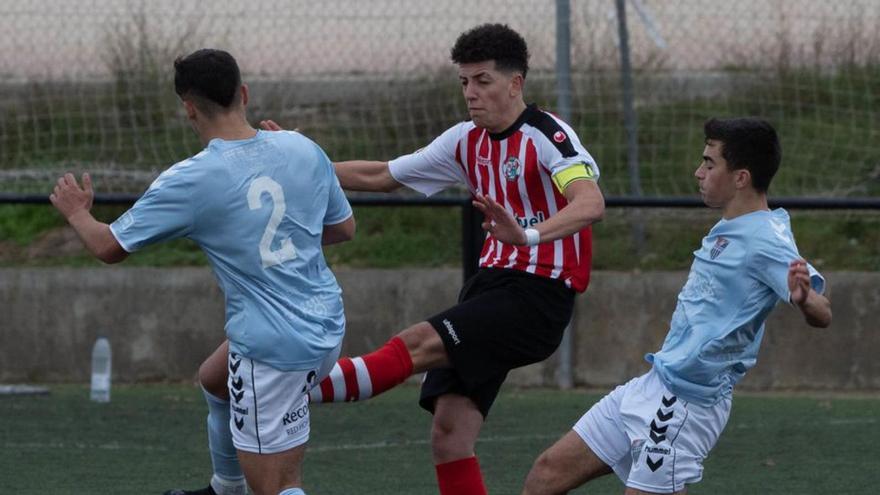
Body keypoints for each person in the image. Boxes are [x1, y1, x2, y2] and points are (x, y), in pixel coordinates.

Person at [259, 22, 605, 494]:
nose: (471, 93)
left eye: (483, 81)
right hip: (489, 288)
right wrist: (296, 157)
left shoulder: (548, 135)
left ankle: (286, 388)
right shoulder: (465, 140)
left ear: (515, 83)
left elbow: (590, 203)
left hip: (536, 297)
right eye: (465, 82)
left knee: (416, 342)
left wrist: (525, 235)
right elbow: (382, 175)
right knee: (449, 434)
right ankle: (281, 388)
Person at [49, 49, 356, 495]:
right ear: (244, 93)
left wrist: (78, 213)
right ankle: (224, 489)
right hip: (326, 320)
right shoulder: (300, 146)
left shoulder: (192, 178)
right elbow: (344, 228)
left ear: (188, 108)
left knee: (277, 486)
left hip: (271, 349)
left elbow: (109, 246)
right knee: (215, 380)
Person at [520, 117, 832, 495]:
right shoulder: (733, 224)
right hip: (653, 385)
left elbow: (822, 311)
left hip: (687, 405)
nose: (698, 172)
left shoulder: (765, 239)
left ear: (741, 178)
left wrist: (803, 300)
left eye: (709, 163)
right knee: (546, 474)